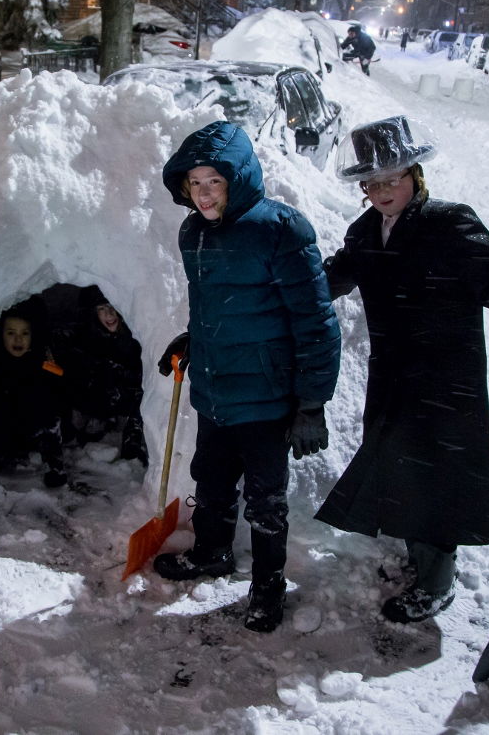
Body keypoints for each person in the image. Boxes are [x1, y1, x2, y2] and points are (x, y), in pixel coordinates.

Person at [315, 115, 489, 624]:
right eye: (372, 182)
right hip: (394, 375)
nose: (382, 191)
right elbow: (331, 278)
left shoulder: (449, 223)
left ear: (415, 176)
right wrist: (289, 287)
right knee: (400, 469)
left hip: (445, 377)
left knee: (437, 477)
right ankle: (421, 560)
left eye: (393, 178)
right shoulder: (364, 234)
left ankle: (437, 583)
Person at [155, 121, 341, 633]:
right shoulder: (192, 232)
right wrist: (192, 339)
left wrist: (311, 404)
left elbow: (316, 321)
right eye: (195, 184)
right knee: (211, 481)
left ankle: (268, 587)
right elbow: (214, 305)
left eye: (215, 181)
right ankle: (212, 553)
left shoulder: (280, 228)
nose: (205, 193)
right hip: (215, 390)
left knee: (266, 499)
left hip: (265, 396)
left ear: (239, 179)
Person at [0, 298, 69, 488]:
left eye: (25, 333)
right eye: (11, 333)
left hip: (34, 432)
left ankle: (53, 462)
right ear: (1, 335)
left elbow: (61, 394)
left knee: (49, 409)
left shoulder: (42, 361)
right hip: (4, 432)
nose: (18, 339)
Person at [55, 285, 148, 464]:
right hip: (98, 400)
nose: (109, 314)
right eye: (102, 309)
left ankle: (133, 442)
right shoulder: (88, 337)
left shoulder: (133, 336)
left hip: (125, 401)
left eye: (113, 307)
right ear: (94, 313)